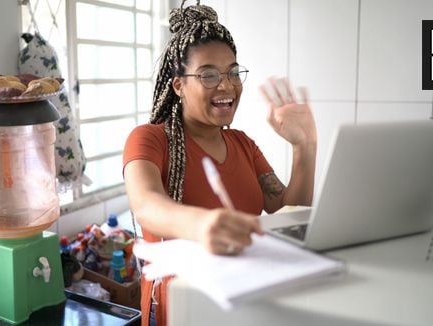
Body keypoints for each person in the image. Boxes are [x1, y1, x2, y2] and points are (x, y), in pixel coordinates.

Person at [122, 1, 317, 325]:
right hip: (181, 310)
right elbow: (146, 205)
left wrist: (304, 146)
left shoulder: (242, 143)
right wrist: (201, 225)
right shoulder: (150, 138)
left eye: (233, 73)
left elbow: (288, 211)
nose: (226, 85)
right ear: (178, 85)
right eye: (209, 75)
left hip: (243, 302)